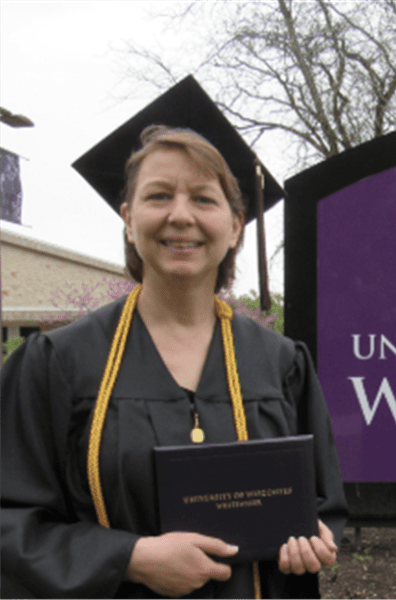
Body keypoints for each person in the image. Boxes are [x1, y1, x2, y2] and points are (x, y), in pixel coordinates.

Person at [0, 77, 348, 598]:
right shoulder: (58, 363)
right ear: (128, 218)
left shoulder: (281, 366)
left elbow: (321, 505)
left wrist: (314, 542)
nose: (180, 215)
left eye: (203, 199)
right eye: (159, 195)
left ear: (234, 227)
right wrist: (130, 558)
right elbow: (10, 520)